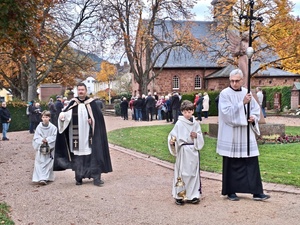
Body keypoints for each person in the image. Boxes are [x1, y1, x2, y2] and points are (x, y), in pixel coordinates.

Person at [216, 68, 270, 201]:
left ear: (242, 80)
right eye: (232, 81)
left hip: (245, 133)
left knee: (251, 161)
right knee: (231, 162)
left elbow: (255, 110)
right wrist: (242, 103)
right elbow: (226, 114)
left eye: (237, 81)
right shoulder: (225, 94)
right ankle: (230, 191)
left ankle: (256, 191)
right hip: (232, 134)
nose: (234, 83)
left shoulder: (247, 93)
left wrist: (253, 117)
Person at [54, 83, 112, 186]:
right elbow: (66, 115)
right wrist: (62, 116)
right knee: (78, 157)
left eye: (82, 90)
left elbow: (98, 119)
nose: (81, 91)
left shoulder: (92, 103)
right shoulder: (73, 103)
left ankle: (96, 178)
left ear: (86, 91)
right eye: (79, 90)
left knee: (93, 155)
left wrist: (93, 121)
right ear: (77, 91)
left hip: (90, 136)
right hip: (77, 137)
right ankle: (79, 177)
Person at [168, 100, 204, 205]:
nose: (187, 114)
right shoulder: (179, 123)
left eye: (189, 111)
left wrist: (196, 136)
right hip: (183, 151)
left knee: (193, 173)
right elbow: (173, 135)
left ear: (192, 111)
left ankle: (193, 195)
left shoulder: (196, 123)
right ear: (182, 112)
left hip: (193, 150)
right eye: (185, 112)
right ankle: (180, 195)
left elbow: (200, 135)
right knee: (182, 173)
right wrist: (172, 141)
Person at [32, 110, 57, 185]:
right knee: (40, 163)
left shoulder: (53, 127)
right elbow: (36, 137)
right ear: (41, 118)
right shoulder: (39, 127)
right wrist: (42, 140)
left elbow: (54, 136)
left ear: (49, 118)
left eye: (46, 117)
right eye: (43, 117)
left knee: (48, 163)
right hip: (41, 147)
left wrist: (48, 140)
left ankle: (46, 178)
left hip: (49, 149)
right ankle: (40, 178)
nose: (45, 119)